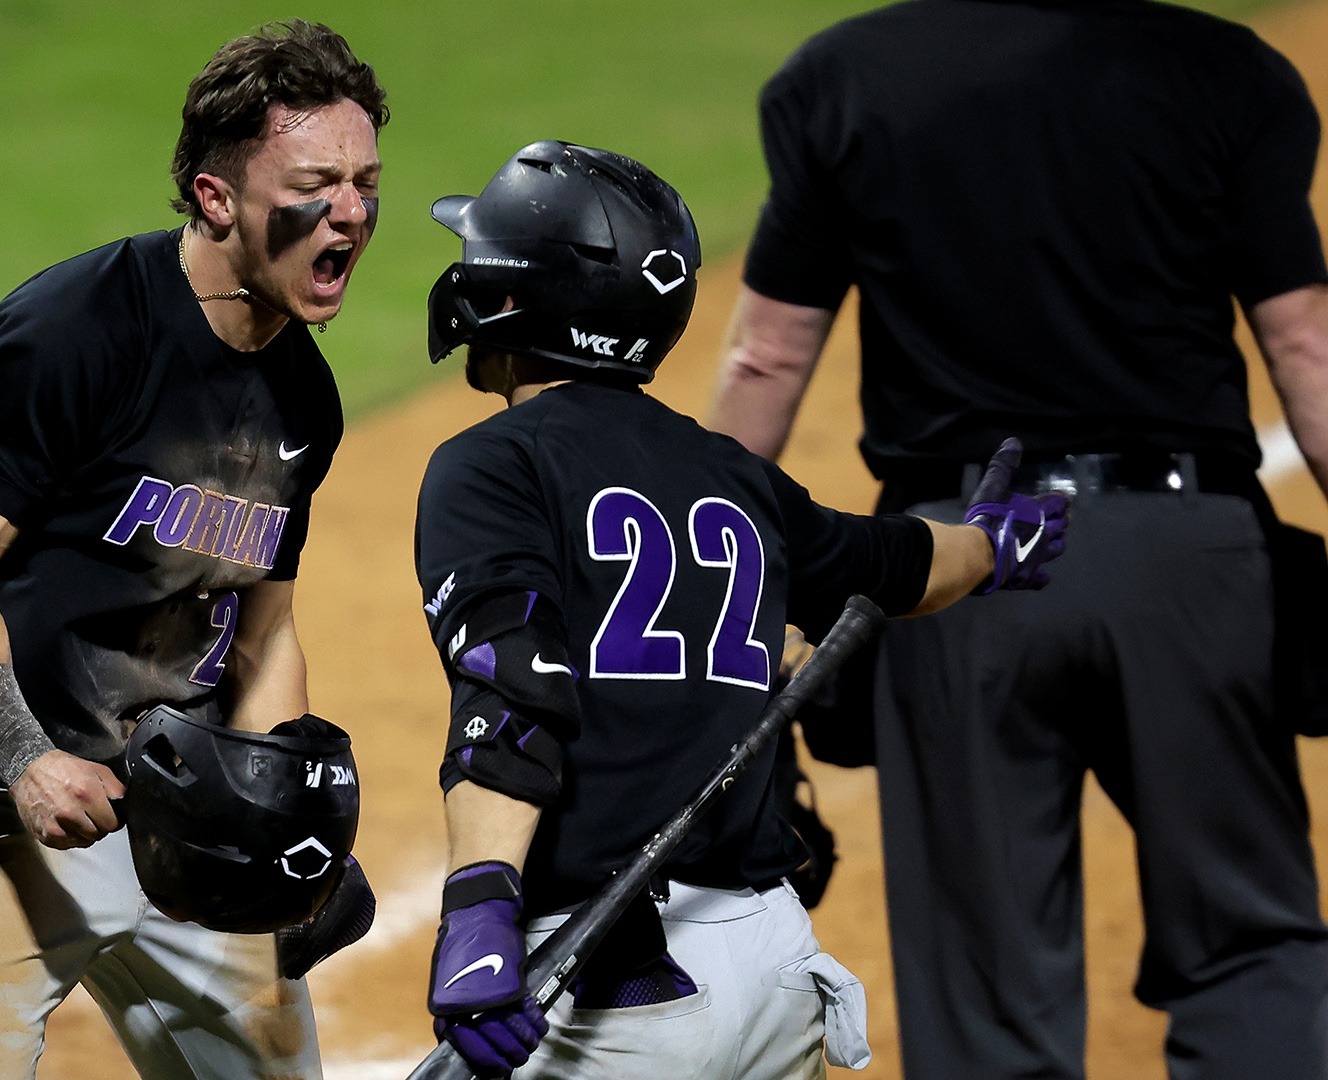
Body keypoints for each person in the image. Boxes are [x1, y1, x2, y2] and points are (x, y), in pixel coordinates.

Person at [705, 3, 1328, 1078]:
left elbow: (765, 357)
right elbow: (1305, 343)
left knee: (985, 994)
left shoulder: (844, 76)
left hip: (960, 573)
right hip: (1185, 559)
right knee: (1250, 949)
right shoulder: (1228, 68)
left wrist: (701, 581)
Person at [412, 141, 1067, 1079]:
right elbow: (900, 561)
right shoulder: (737, 477)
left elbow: (512, 681)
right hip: (773, 963)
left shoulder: (492, 465)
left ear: (517, 294)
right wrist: (993, 548)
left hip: (614, 986)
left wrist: (481, 908)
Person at [0, 21, 386, 1080]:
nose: (350, 211)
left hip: (188, 802)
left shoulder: (304, 393)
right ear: (216, 198)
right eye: (317, 184)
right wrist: (26, 760)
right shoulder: (80, 328)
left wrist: (278, 813)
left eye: (365, 183)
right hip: (6, 788)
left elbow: (264, 635)